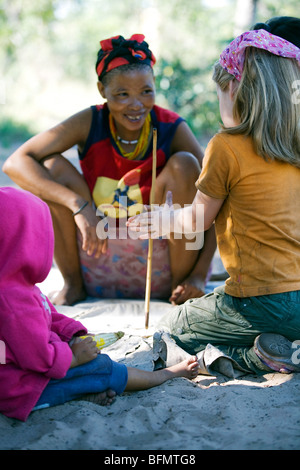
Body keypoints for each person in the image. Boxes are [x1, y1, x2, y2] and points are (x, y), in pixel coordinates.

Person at [128, 17, 300, 376]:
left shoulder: (226, 146)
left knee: (174, 325)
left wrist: (162, 219)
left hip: (260, 300)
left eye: (219, 93)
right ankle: (286, 344)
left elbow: (197, 220)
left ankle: (256, 358)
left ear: (237, 91)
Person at [3, 34, 216, 307]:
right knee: (51, 166)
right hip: (96, 254)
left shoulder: (171, 126)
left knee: (187, 164)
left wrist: (198, 275)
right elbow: (16, 162)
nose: (137, 105)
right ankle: (73, 285)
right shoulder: (90, 121)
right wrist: (79, 205)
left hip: (164, 270)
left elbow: (215, 198)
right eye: (122, 94)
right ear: (102, 91)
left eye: (146, 92)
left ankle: (182, 288)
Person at [0, 187, 199, 422]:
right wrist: (74, 357)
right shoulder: (12, 301)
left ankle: (82, 392)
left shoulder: (15, 284)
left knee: (85, 364)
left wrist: (73, 334)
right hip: (18, 389)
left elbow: (49, 315)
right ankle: (162, 376)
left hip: (21, 367)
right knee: (101, 367)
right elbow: (41, 359)